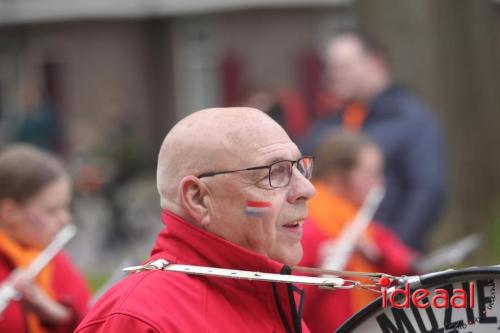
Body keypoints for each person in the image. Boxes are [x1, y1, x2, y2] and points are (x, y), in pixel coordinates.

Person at [75, 107, 316, 333]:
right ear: (198, 199)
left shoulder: (265, 290)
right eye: (275, 172)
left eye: (299, 168)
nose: (307, 189)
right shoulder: (140, 321)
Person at [300, 32, 447, 251]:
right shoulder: (326, 127)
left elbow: (427, 190)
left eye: (343, 67)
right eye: (330, 68)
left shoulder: (411, 121)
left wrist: (391, 251)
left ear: (375, 62)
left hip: (386, 261)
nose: (333, 75)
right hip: (329, 259)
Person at [300, 131, 418, 332]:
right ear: (336, 176)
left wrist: (375, 255)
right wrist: (322, 280)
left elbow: (410, 267)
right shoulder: (304, 224)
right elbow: (289, 304)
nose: (379, 184)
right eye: (369, 174)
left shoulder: (362, 224)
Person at [0, 144, 91, 333]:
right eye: (52, 210)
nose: (65, 219)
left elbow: (93, 323)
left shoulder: (59, 263)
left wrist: (59, 316)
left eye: (65, 207)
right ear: (10, 212)